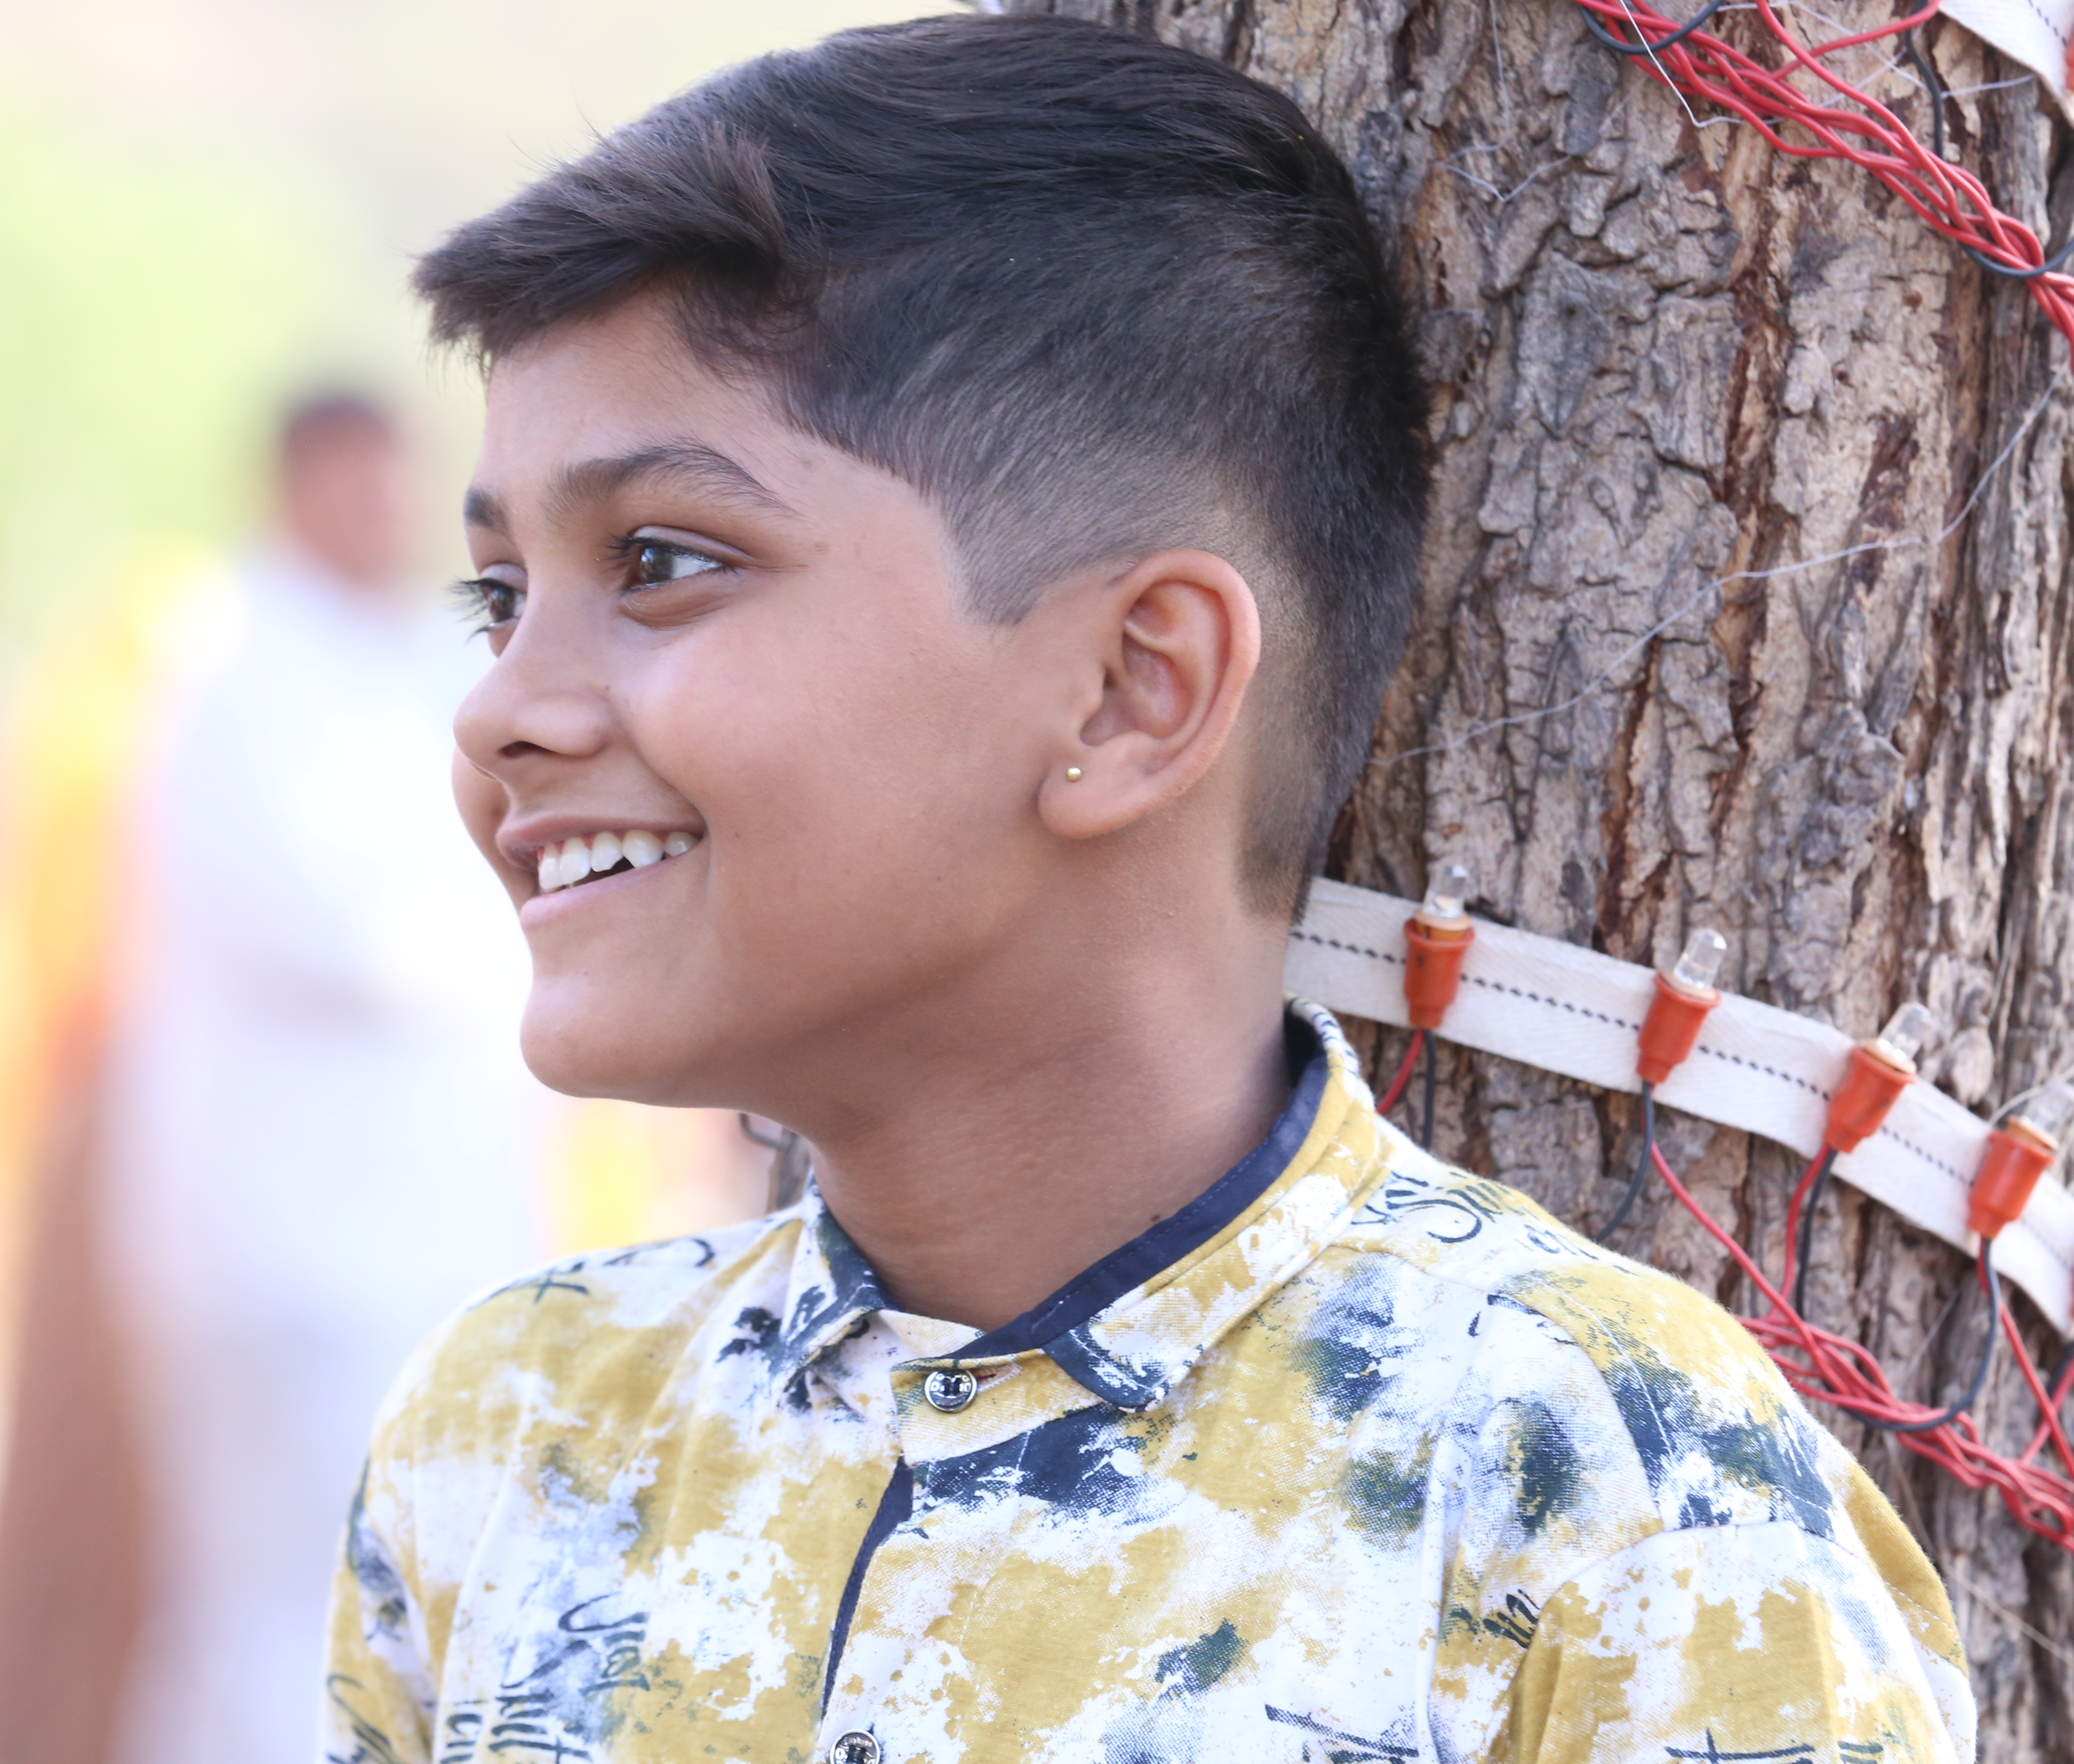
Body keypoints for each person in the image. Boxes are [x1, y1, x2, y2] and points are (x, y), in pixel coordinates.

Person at [323, 17, 1972, 1764]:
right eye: (499, 598)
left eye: (660, 562)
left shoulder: (1609, 1501)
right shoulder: (518, 1432)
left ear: (1130, 691)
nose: (500, 710)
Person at [103, 394, 544, 1764]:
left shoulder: (417, 661)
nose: (387, 514)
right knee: (278, 1608)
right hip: (284, 1242)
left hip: (422, 1231)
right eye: (360, 484)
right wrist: (545, 933)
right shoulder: (235, 669)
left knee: (391, 1604)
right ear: (294, 485)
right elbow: (334, 930)